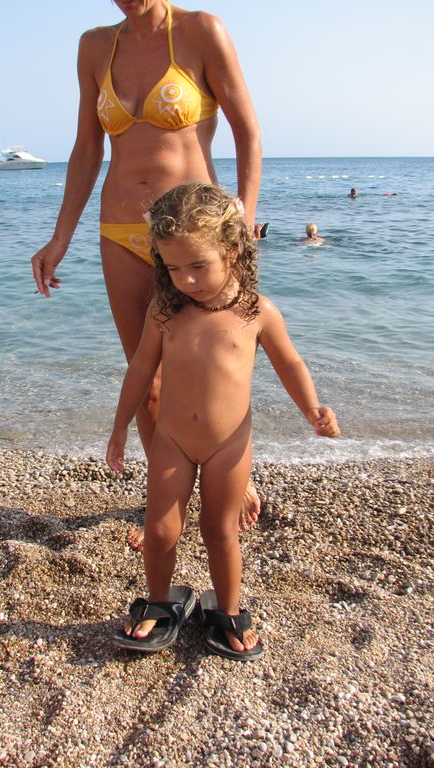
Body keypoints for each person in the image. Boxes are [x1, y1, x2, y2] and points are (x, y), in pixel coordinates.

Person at [30, 0, 263, 548]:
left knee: (216, 368)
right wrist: (60, 237)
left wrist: (244, 218)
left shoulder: (202, 31)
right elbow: (87, 149)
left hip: (197, 237)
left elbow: (248, 132)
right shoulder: (94, 45)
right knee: (146, 375)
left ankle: (234, 479)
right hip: (120, 230)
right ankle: (165, 500)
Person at [106, 183, 341, 660]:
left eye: (198, 265)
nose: (186, 280)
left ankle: (228, 610)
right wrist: (120, 427)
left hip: (228, 446)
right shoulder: (164, 311)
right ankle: (159, 601)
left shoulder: (256, 312)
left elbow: (290, 363)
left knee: (220, 531)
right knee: (160, 531)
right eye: (173, 268)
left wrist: (312, 408)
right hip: (171, 440)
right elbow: (141, 370)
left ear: (232, 250)